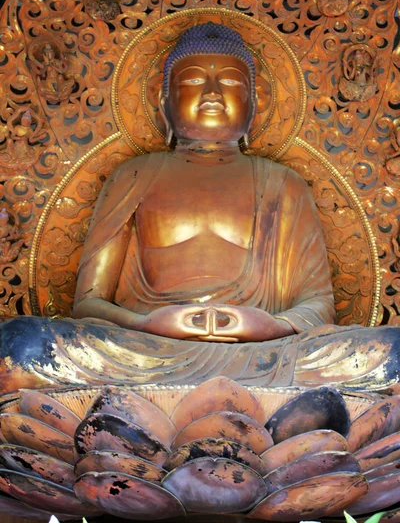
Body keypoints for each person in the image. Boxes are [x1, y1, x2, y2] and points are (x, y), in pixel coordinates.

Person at [1, 23, 399, 394]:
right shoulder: (135, 175)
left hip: (264, 354)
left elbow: (319, 305)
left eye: (229, 81)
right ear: (164, 103)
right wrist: (148, 323)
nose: (211, 93)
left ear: (254, 104)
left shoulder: (283, 184)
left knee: (393, 353)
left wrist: (269, 325)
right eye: (192, 81)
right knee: (20, 345)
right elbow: (88, 302)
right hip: (146, 351)